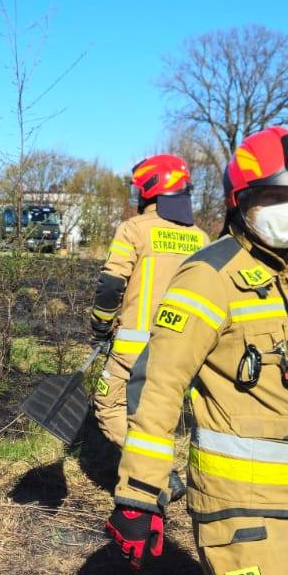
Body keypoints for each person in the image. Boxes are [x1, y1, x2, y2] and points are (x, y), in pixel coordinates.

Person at [105, 127, 288, 575]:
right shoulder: (210, 276)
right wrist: (138, 493)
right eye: (273, 195)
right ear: (241, 200)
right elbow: (159, 388)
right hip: (239, 512)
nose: (285, 210)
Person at [89, 153, 208, 448]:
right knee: (156, 412)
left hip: (135, 344)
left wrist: (101, 325)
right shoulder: (202, 239)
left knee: (109, 405)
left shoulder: (134, 229)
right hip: (183, 347)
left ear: (150, 187)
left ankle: (153, 472)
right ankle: (159, 470)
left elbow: (110, 284)